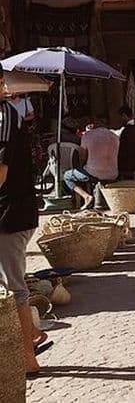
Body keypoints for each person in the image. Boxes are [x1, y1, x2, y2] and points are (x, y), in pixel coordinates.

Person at [0, 68, 44, 376]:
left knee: (13, 287)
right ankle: (30, 335)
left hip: (9, 214)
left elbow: (0, 174)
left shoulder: (3, 117)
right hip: (12, 211)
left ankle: (28, 358)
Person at [63, 122, 119, 209]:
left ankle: (86, 196)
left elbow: (82, 158)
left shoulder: (87, 136)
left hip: (94, 173)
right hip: (113, 173)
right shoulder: (114, 136)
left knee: (67, 175)